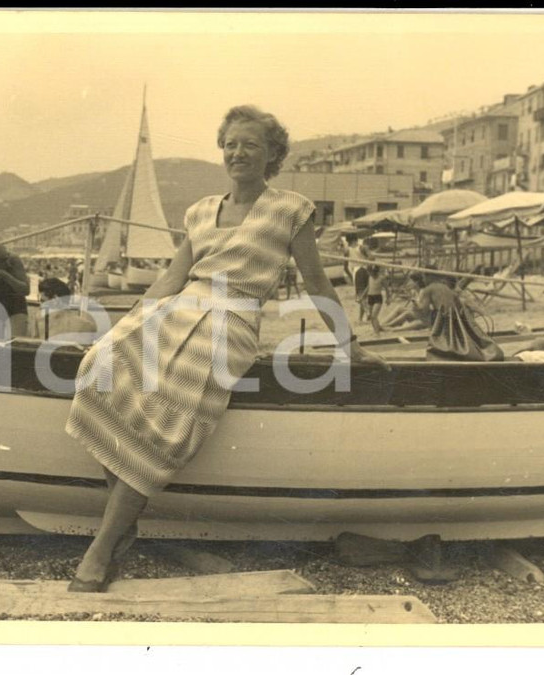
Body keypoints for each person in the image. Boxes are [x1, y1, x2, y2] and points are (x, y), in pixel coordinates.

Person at [63, 105, 386, 592]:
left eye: (250, 144)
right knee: (97, 367)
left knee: (169, 411)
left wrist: (348, 343)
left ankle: (101, 547)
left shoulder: (290, 210)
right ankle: (122, 522)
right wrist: (122, 326)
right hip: (176, 310)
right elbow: (172, 279)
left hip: (230, 322)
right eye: (231, 143)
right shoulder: (199, 210)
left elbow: (318, 282)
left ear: (271, 154)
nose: (238, 152)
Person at [417, 275, 503, 362]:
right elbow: (458, 305)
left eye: (424, 277)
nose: (423, 279)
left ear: (429, 277)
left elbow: (424, 309)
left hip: (444, 317)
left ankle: (447, 357)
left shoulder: (428, 289)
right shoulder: (448, 289)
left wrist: (416, 303)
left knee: (441, 340)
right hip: (456, 317)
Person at [35, 277, 98, 341]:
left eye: (43, 301)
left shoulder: (42, 323)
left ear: (55, 300)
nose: (40, 306)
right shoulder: (87, 326)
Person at [366, 264, 386, 335]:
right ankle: (377, 329)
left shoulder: (381, 278)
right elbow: (369, 287)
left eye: (373, 273)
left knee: (374, 315)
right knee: (371, 316)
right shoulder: (370, 277)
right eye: (371, 272)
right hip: (370, 296)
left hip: (378, 297)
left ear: (376, 272)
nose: (372, 274)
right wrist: (362, 295)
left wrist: (388, 298)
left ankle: (377, 333)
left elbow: (386, 288)